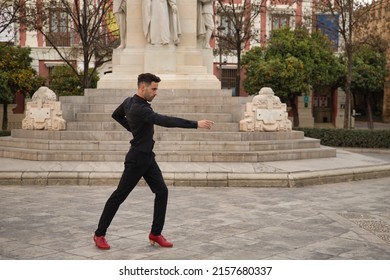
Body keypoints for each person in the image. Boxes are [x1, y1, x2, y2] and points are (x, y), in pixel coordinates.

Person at [93, 73, 214, 249]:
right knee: (118, 196)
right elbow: (165, 120)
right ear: (143, 88)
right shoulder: (139, 109)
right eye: (154, 89)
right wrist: (195, 124)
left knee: (162, 192)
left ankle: (155, 233)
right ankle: (99, 234)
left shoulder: (129, 102)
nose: (156, 92)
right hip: (136, 160)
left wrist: (134, 130)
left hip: (148, 157)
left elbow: (116, 115)